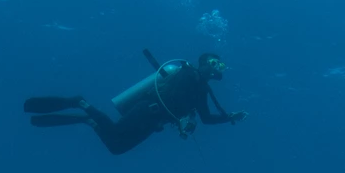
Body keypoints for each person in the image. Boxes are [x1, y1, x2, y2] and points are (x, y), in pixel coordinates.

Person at [24, 51, 244, 155]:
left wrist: (228, 117)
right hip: (147, 110)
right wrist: (187, 116)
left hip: (155, 122)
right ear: (204, 63)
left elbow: (207, 118)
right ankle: (80, 102)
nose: (218, 69)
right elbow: (177, 97)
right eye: (215, 63)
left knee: (117, 148)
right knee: (115, 130)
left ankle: (89, 120)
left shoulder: (202, 89)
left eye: (221, 66)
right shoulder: (187, 74)